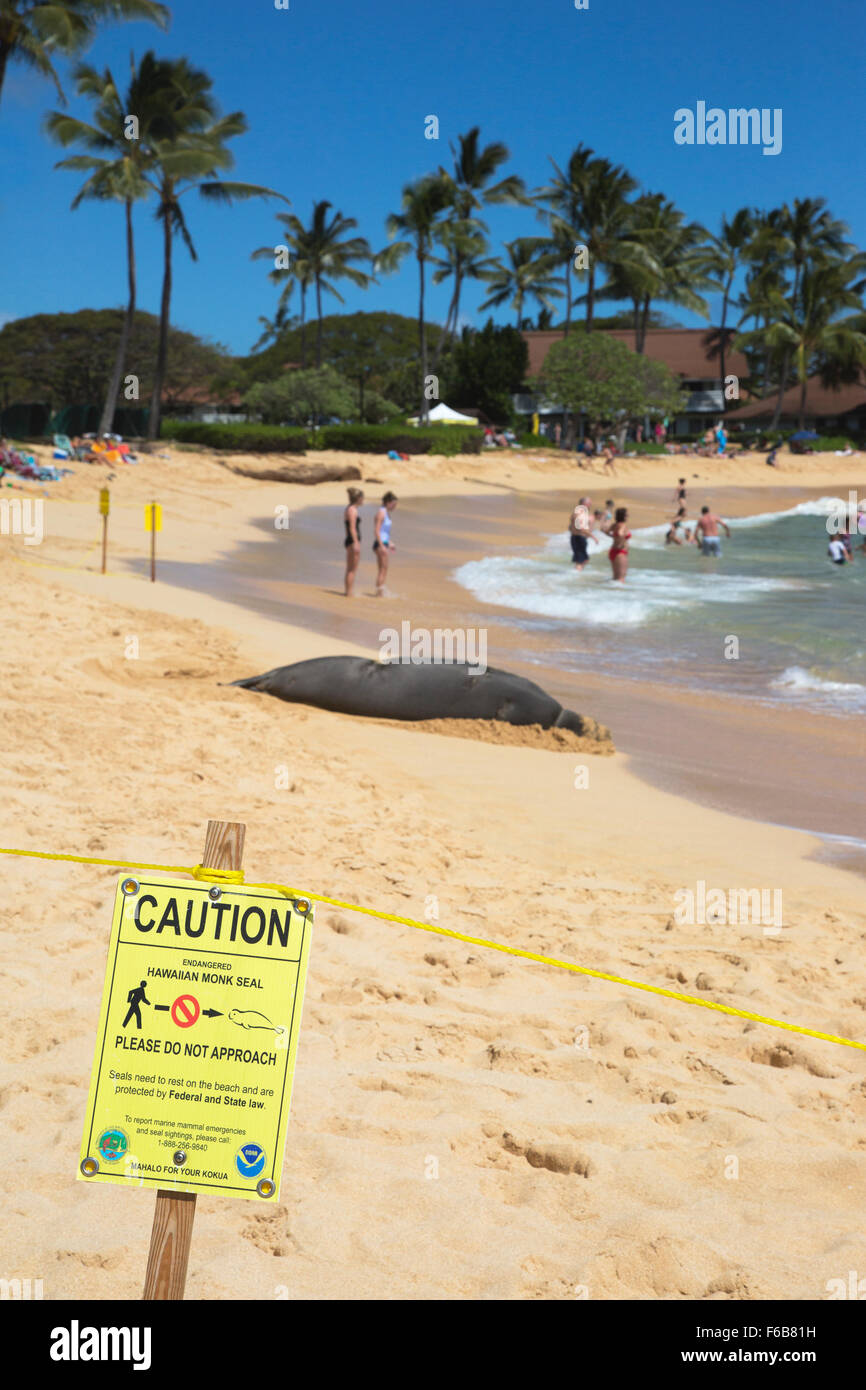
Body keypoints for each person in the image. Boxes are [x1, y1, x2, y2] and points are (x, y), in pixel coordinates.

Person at [373, 491, 398, 595]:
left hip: (384, 542)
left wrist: (390, 543)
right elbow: (377, 530)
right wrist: (382, 545)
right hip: (380, 544)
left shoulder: (386, 513)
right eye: (394, 504)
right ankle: (379, 593)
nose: (395, 507)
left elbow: (384, 532)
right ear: (388, 502)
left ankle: (380, 591)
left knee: (383, 569)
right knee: (383, 569)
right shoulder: (381, 513)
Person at [344, 487, 364, 596]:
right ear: (358, 498)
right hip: (352, 541)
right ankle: (349, 593)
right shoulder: (352, 510)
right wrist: (356, 543)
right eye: (362, 498)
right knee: (352, 569)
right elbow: (352, 528)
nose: (363, 500)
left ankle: (348, 592)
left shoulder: (349, 508)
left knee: (350, 569)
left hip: (350, 541)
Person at [569, 496, 592, 571]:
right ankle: (575, 574)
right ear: (583, 504)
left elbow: (570, 527)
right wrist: (592, 536)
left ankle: (577, 573)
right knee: (580, 561)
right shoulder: (580, 514)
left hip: (578, 538)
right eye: (589, 503)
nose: (590, 505)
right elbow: (580, 527)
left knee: (584, 559)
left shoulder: (577, 513)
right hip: (578, 538)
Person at [608, 506, 631, 582]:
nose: (628, 516)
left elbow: (605, 531)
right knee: (622, 577)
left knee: (615, 577)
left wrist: (614, 537)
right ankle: (620, 592)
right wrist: (622, 541)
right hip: (620, 552)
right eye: (627, 515)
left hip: (613, 551)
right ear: (623, 516)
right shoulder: (623, 525)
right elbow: (620, 533)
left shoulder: (614, 525)